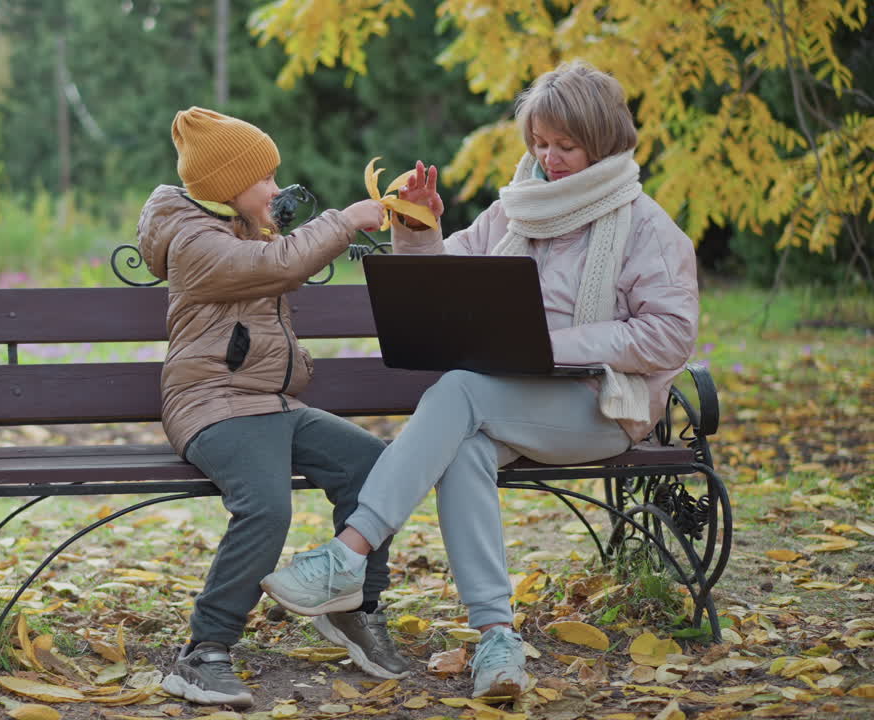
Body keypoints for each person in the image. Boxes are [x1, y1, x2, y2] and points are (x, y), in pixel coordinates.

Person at [261, 61, 700, 700]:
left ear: (604, 141)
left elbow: (669, 336)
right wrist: (420, 230)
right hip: (509, 400)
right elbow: (448, 280)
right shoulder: (516, 211)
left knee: (460, 390)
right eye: (540, 143)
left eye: (565, 146)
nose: (549, 158)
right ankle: (497, 639)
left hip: (597, 407)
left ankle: (346, 556)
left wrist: (553, 346)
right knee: (463, 444)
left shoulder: (646, 227)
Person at [137, 107, 412, 708]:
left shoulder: (236, 228)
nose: (275, 188)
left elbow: (278, 258)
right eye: (263, 177)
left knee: (374, 468)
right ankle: (204, 652)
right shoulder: (195, 241)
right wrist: (342, 221)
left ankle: (351, 607)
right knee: (266, 505)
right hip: (212, 405)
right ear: (224, 185)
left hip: (269, 404)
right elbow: (278, 267)